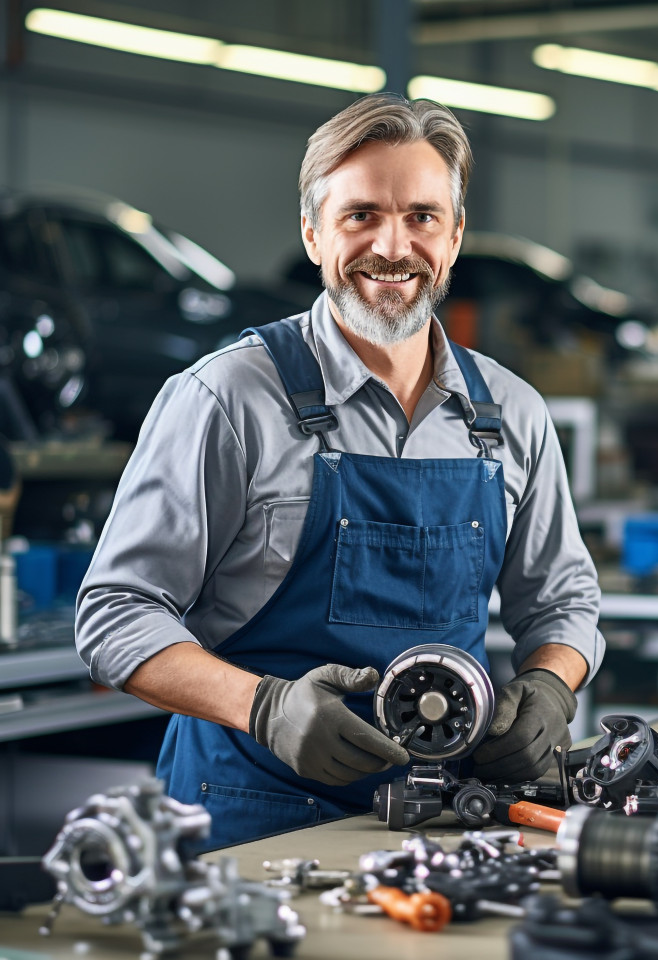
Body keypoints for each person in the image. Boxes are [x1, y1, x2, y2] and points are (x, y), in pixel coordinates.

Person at [75, 93, 605, 850]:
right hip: (249, 825)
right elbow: (115, 613)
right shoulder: (226, 398)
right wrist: (263, 706)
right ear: (313, 233)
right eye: (361, 215)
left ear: (454, 237)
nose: (393, 247)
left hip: (445, 825)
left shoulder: (510, 414)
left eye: (421, 216)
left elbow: (563, 599)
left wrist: (554, 681)